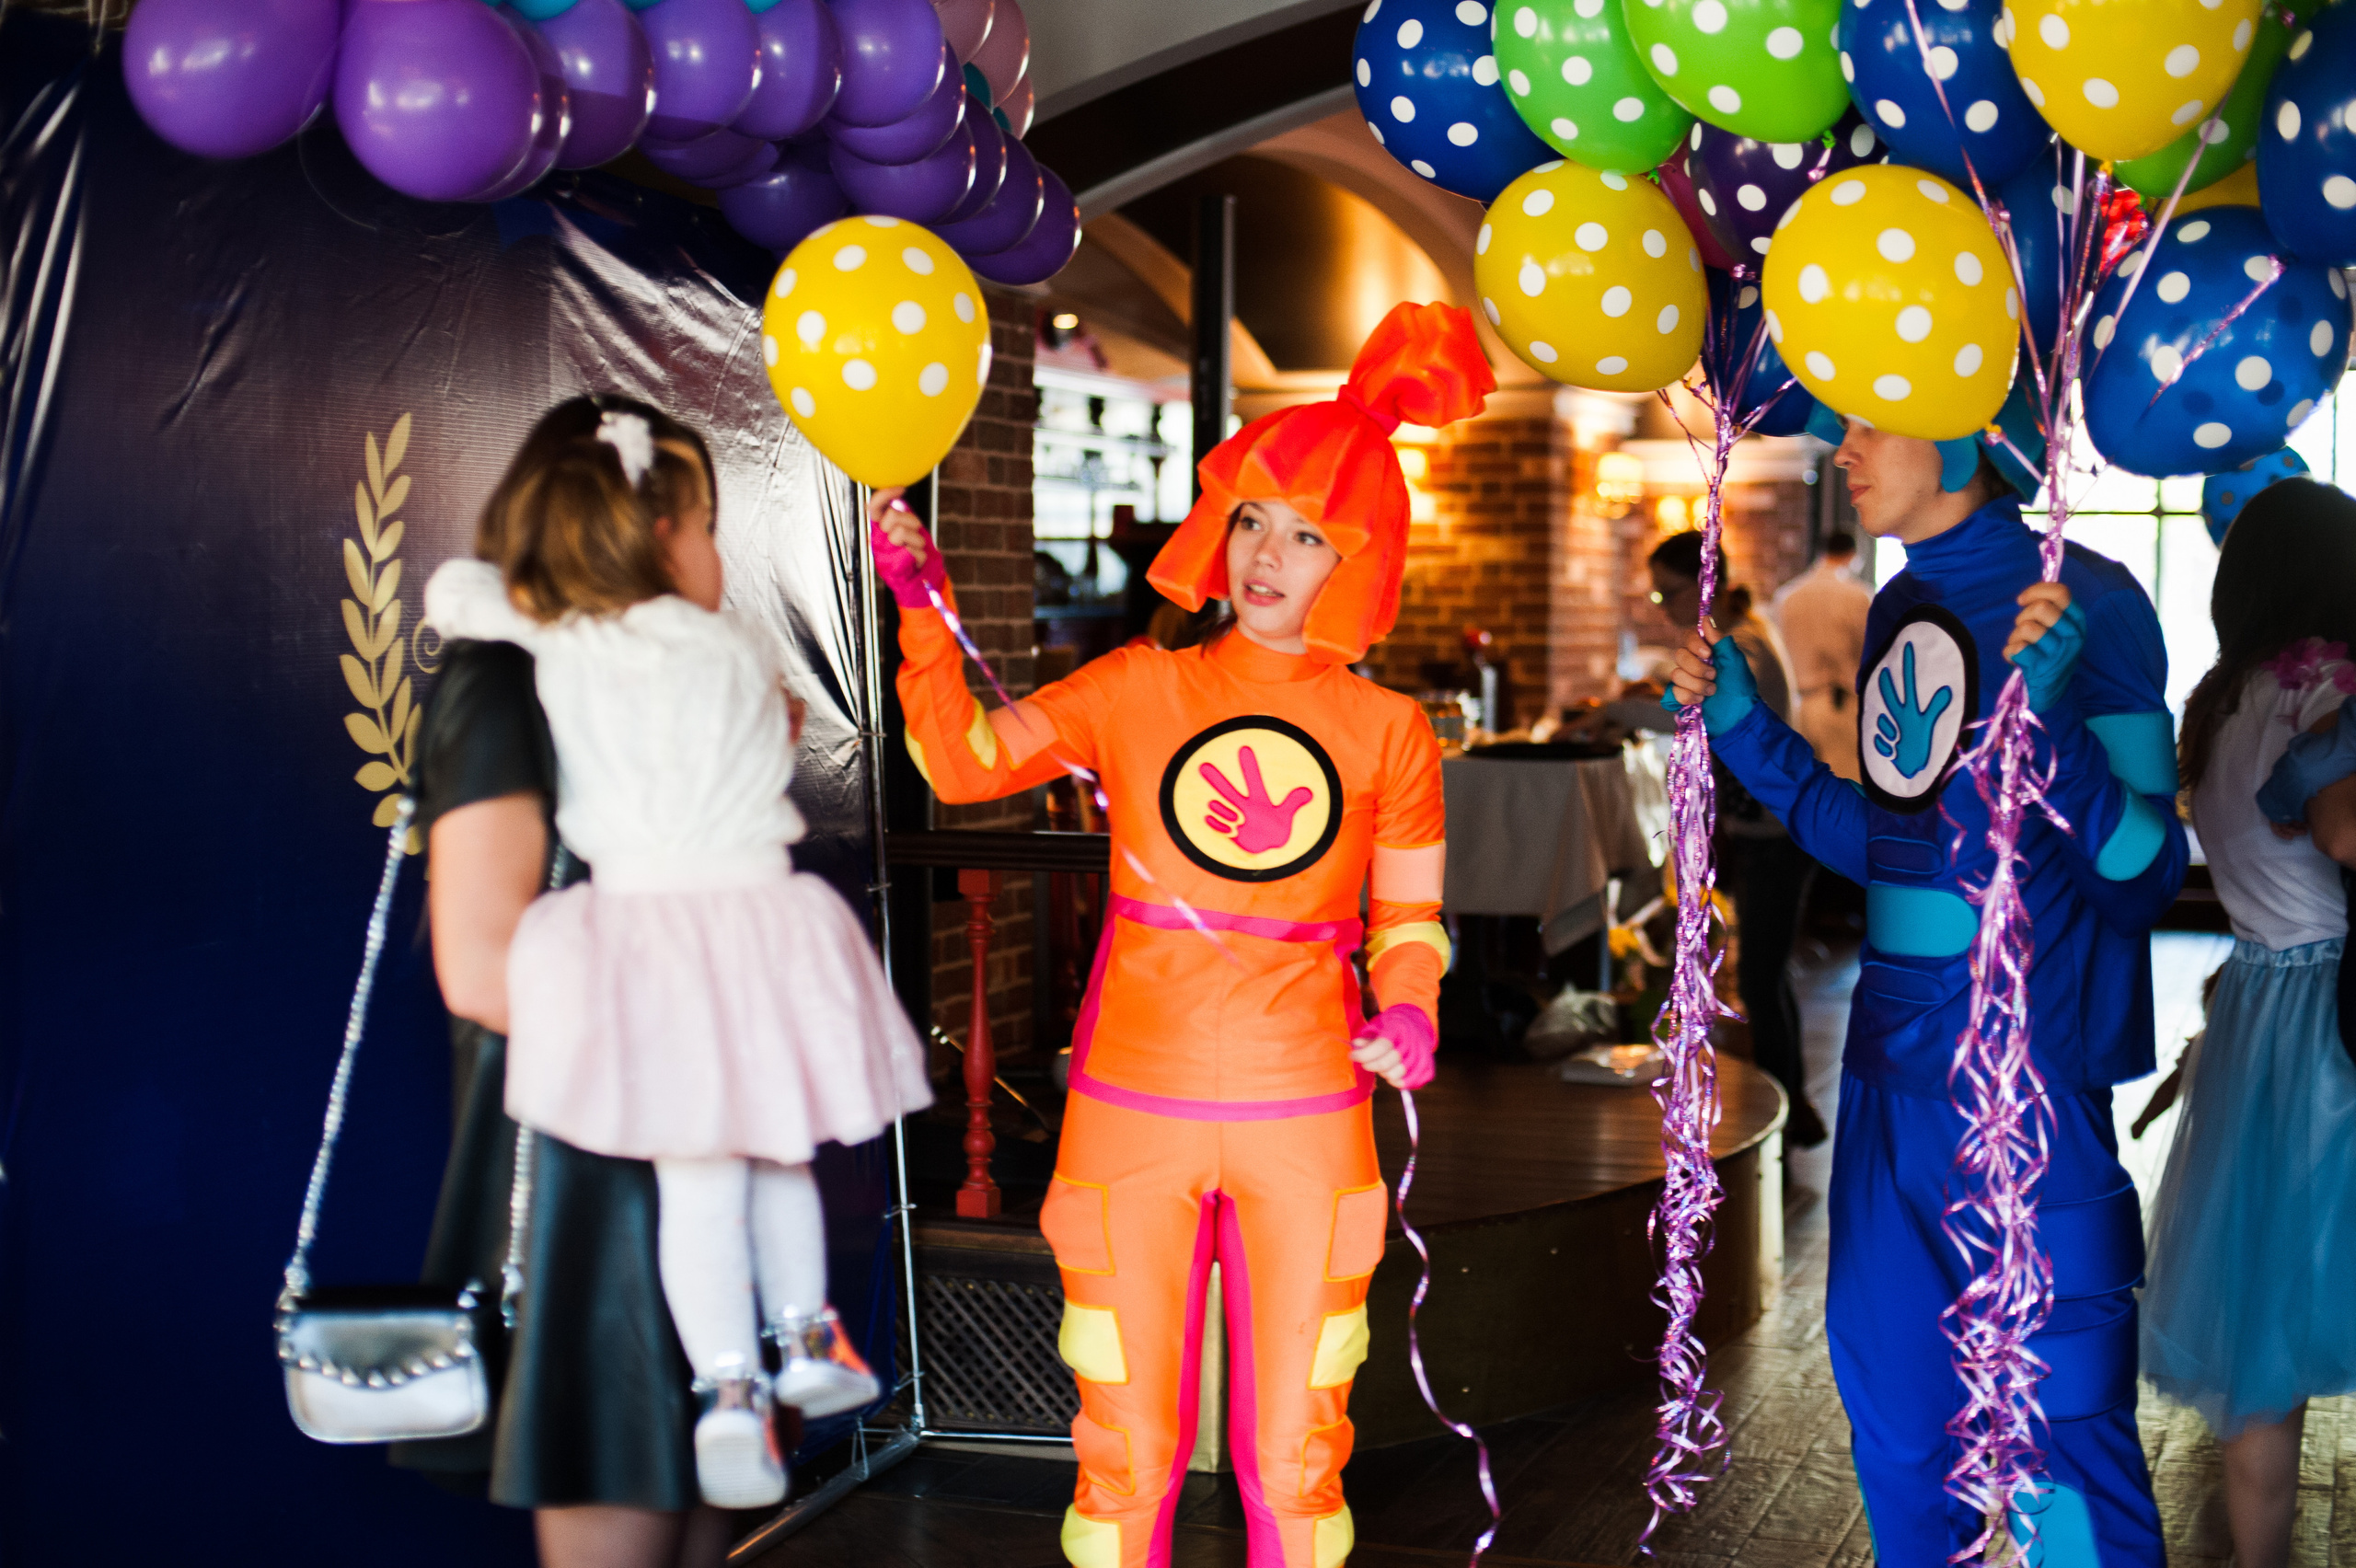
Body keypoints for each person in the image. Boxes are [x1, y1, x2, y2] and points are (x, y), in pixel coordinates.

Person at [875, 302, 1487, 1568]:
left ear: (1355, 560)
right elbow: (969, 759)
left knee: (1294, 1465)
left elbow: (1410, 921)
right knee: (1126, 1458)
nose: (1269, 553)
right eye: (1255, 515)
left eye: (1309, 533)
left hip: (1310, 1115)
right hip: (1129, 1113)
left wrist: (1413, 1006)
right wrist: (926, 620)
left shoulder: (1392, 732)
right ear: (1220, 522)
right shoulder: (1133, 689)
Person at [1667, 412, 2185, 1567]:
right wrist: (1746, 728)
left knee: (2062, 1448)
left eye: (1867, 426)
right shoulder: (1904, 605)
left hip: (2027, 1094)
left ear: (1957, 439)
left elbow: (2147, 877)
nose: (1841, 454)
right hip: (1885, 1089)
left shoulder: (2089, 602)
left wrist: (2051, 731)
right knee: (1898, 1424)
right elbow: (1894, 849)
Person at [412, 397, 930, 1526]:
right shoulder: (506, 676)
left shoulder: (698, 665)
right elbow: (481, 966)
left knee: (702, 1514)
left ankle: (769, 1358)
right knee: (619, 1486)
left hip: (693, 1095)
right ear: (650, 533)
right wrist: (691, 1029)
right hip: (595, 1142)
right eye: (705, 523)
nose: (715, 552)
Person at [2142, 478, 2356, 1568]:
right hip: (2336, 1025)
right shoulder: (2324, 685)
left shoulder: (2217, 701)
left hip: (2256, 1015)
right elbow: (2345, 829)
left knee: (2260, 1347)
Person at [1648, 532, 1825, 1148]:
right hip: (1770, 829)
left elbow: (1688, 714)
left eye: (1667, 592)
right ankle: (1791, 1102)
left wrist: (1616, 713)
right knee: (1765, 976)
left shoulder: (1738, 646)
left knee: (1761, 978)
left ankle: (1788, 1111)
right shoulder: (1741, 634)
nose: (1664, 607)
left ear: (1706, 585)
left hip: (1779, 831)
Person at [1772, 529, 1874, 782]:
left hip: (1800, 706)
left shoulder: (1787, 597)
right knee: (1846, 791)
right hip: (1842, 706)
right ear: (1853, 555)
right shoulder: (1857, 596)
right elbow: (1873, 653)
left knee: (1807, 791)